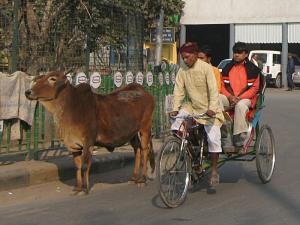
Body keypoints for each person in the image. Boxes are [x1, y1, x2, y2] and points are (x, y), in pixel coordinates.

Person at [169, 42, 224, 186]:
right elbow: (179, 90)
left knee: (213, 139)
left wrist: (212, 108)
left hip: (210, 109)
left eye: (187, 57)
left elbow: (213, 90)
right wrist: (175, 107)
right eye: (183, 58)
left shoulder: (206, 69)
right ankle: (189, 156)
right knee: (177, 126)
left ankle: (213, 170)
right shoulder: (182, 70)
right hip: (193, 107)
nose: (185, 60)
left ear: (194, 55)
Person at [219, 42, 260, 147]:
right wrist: (230, 97)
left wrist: (239, 98)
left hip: (246, 99)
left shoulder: (253, 70)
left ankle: (239, 135)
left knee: (240, 105)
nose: (236, 55)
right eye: (235, 52)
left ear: (246, 54)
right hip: (230, 97)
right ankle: (224, 131)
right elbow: (222, 86)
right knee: (217, 99)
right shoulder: (227, 68)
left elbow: (254, 89)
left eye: (239, 52)